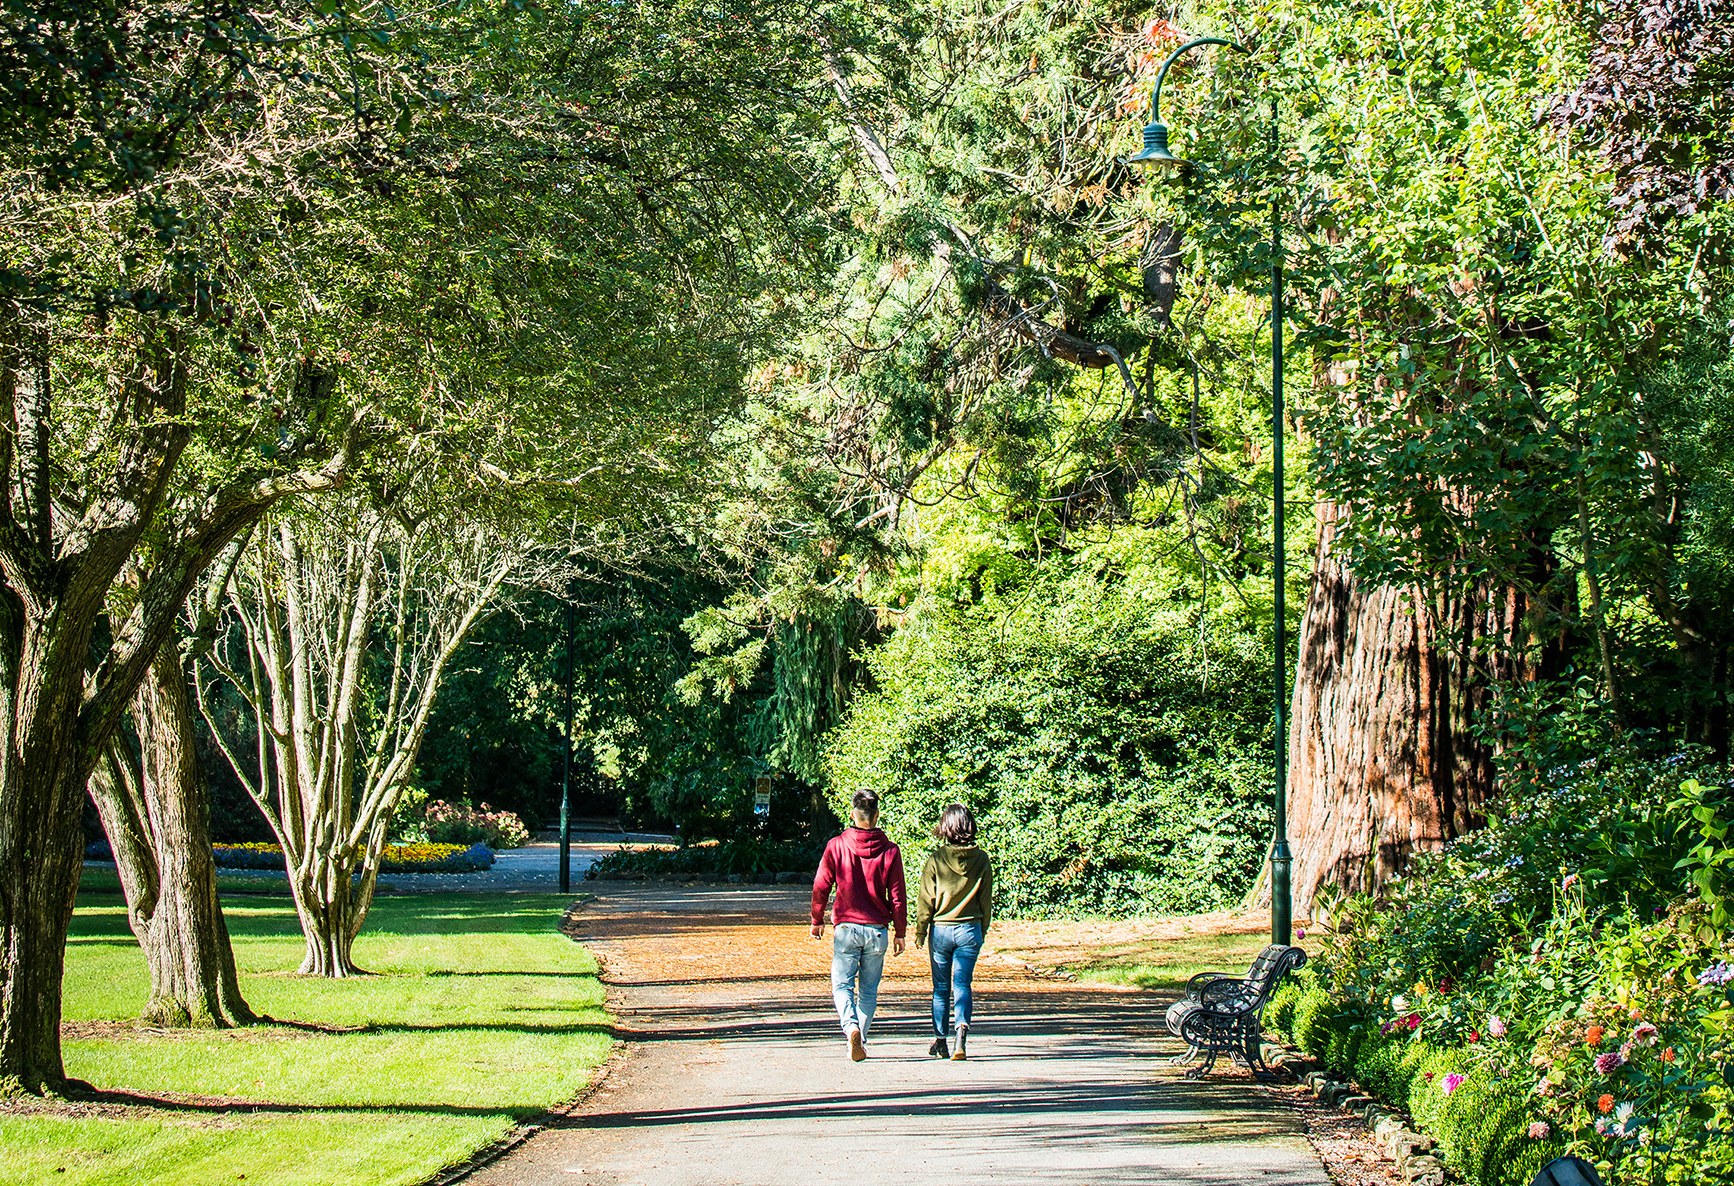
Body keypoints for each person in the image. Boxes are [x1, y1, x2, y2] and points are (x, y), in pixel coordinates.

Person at [811, 789, 907, 1061]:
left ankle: (850, 1027)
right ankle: (860, 1038)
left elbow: (821, 885)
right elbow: (897, 896)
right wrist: (900, 932)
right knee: (867, 990)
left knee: (841, 986)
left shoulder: (836, 845)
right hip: (877, 929)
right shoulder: (890, 851)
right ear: (876, 815)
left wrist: (816, 919)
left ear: (853, 814)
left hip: (846, 928)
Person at [913, 803, 992, 1060]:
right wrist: (983, 929)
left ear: (945, 827)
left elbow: (927, 898)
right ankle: (961, 1034)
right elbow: (985, 900)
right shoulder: (981, 859)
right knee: (963, 984)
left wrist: (921, 930)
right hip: (970, 929)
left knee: (941, 988)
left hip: (942, 930)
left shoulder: (936, 859)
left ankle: (940, 1040)